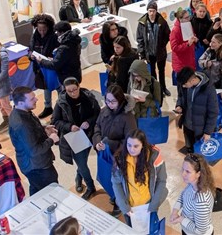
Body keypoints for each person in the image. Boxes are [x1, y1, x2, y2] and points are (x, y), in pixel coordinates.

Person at [51, 77, 100, 200]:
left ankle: (78, 177)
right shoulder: (60, 103)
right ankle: (90, 186)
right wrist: (69, 126)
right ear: (65, 90)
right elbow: (55, 121)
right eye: (69, 91)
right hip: (74, 138)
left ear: (79, 86)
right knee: (82, 164)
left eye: (75, 89)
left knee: (82, 160)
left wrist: (89, 122)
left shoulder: (88, 98)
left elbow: (98, 114)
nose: (73, 93)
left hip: (89, 134)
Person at [92, 84, 137, 216]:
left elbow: (130, 142)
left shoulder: (128, 117)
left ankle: (119, 204)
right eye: (107, 100)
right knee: (106, 177)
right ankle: (113, 197)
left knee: (119, 182)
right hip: (104, 153)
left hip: (119, 158)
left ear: (120, 100)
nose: (109, 104)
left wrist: (108, 144)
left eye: (113, 101)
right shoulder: (105, 110)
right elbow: (97, 126)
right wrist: (97, 141)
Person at [112, 129, 168, 231]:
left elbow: (162, 180)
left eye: (136, 146)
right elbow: (116, 183)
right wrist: (124, 207)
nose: (131, 149)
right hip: (130, 207)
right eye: (129, 145)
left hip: (149, 205)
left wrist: (154, 205)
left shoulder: (154, 156)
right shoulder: (120, 158)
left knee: (151, 229)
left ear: (143, 145)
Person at [9, 86, 59, 195]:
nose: (36, 100)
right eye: (32, 99)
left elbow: (30, 135)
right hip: (37, 167)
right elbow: (34, 151)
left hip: (33, 165)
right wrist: (51, 140)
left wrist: (43, 129)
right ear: (21, 103)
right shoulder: (22, 124)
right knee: (52, 193)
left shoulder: (22, 111)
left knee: (36, 190)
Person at [174, 67, 219, 153]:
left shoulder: (209, 89)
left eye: (184, 84)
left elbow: (213, 113)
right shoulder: (185, 85)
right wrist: (179, 105)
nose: (183, 86)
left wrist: (208, 132)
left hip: (200, 129)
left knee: (200, 154)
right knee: (189, 149)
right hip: (187, 125)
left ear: (192, 80)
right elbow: (180, 96)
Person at [169, 153, 215, 235]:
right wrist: (175, 211)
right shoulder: (192, 184)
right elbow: (183, 196)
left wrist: (181, 219)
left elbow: (200, 230)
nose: (183, 174)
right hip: (187, 230)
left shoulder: (201, 202)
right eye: (183, 169)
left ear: (198, 174)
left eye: (188, 171)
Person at [136, 1, 171, 97]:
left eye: (153, 11)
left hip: (160, 52)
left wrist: (162, 45)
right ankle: (156, 89)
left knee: (161, 71)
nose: (151, 13)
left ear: (156, 11)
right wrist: (142, 54)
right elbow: (140, 39)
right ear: (147, 11)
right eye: (150, 11)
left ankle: (163, 88)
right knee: (152, 73)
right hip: (149, 53)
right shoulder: (142, 23)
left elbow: (167, 34)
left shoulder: (162, 22)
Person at [29, 14, 60, 119]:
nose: (42, 32)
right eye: (39, 29)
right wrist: (31, 56)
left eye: (44, 29)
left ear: (49, 27)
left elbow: (59, 51)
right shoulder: (35, 36)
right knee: (46, 87)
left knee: (59, 87)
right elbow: (30, 49)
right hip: (40, 67)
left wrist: (52, 58)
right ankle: (48, 107)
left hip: (51, 67)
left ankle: (62, 106)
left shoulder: (54, 36)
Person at [36, 21, 82, 85]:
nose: (56, 34)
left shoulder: (64, 47)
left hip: (68, 78)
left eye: (57, 32)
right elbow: (65, 59)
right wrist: (54, 59)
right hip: (75, 73)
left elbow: (54, 65)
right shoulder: (74, 41)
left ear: (62, 32)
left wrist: (42, 61)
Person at [171, 10, 198, 80]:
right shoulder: (175, 30)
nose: (189, 19)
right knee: (183, 86)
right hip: (181, 64)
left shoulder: (188, 25)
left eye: (189, 17)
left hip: (189, 60)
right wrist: (187, 44)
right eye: (186, 18)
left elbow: (191, 36)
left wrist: (195, 39)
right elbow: (174, 47)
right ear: (180, 19)